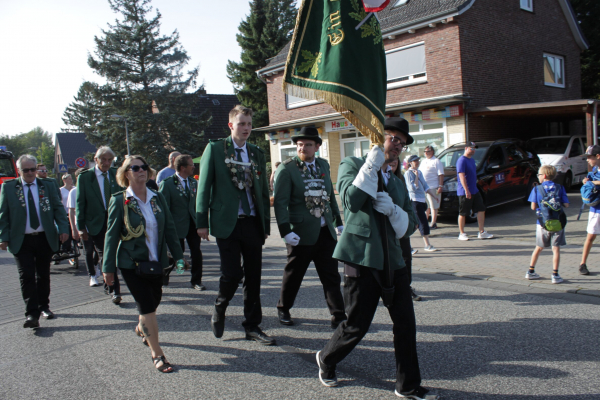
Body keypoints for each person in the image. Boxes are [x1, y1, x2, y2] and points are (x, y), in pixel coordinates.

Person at [316, 117, 438, 400]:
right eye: (391, 137)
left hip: (394, 261)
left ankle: (407, 385)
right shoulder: (353, 165)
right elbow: (350, 201)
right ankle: (327, 358)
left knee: (406, 324)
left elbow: (409, 226)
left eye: (401, 141)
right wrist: (370, 166)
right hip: (362, 258)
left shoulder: (396, 182)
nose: (397, 145)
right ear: (375, 137)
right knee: (357, 325)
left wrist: (395, 211)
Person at [196, 105, 274, 345]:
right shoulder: (216, 149)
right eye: (241, 124)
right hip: (226, 222)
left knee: (253, 277)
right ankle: (220, 306)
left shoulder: (256, 153)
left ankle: (252, 325)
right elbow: (204, 187)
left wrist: (265, 225)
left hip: (251, 222)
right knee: (231, 274)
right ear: (231, 125)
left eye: (249, 124)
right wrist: (202, 222)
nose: (246, 128)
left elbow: (261, 191)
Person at [103, 155, 184, 373]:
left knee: (153, 301)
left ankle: (141, 328)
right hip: (131, 264)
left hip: (155, 262)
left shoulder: (157, 198)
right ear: (126, 173)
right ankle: (157, 354)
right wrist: (107, 268)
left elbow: (169, 230)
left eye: (144, 167)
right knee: (147, 306)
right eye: (135, 167)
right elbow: (111, 236)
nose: (141, 170)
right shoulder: (119, 200)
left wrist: (179, 258)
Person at [273, 127, 346, 328]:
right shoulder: (287, 168)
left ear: (317, 146)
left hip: (325, 231)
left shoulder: (323, 164)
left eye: (307, 144)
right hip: (300, 232)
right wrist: (285, 231)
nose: (302, 148)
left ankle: (338, 314)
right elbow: (280, 202)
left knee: (331, 275)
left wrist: (338, 222)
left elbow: (329, 195)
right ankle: (283, 308)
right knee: (294, 274)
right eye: (299, 145)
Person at [0, 155, 69, 329]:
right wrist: (3, 237)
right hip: (21, 240)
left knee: (43, 275)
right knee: (27, 276)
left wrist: (63, 228)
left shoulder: (48, 185)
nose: (30, 173)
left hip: (44, 237)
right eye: (26, 170)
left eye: (33, 169)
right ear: (19, 170)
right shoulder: (8, 188)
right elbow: (3, 214)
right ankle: (31, 314)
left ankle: (44, 306)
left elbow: (58, 208)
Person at [76, 146, 125, 302]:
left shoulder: (116, 174)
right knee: (106, 253)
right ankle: (114, 290)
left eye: (110, 160)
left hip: (116, 220)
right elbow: (80, 204)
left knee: (116, 253)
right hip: (96, 223)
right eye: (103, 159)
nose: (106, 162)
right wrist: (81, 227)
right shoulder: (85, 177)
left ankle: (108, 284)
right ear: (95, 159)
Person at [159, 154, 204, 290]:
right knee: (176, 253)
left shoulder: (193, 183)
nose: (193, 167)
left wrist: (202, 223)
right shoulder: (167, 184)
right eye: (191, 165)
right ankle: (164, 274)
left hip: (192, 224)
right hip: (176, 225)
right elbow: (163, 207)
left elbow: (198, 204)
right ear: (183, 167)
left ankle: (196, 280)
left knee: (196, 252)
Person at [525, 165, 569, 284]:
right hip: (558, 222)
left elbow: (533, 206)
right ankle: (555, 275)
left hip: (542, 223)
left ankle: (531, 271)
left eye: (538, 175)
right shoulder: (560, 187)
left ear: (543, 176)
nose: (538, 177)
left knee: (539, 247)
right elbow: (566, 204)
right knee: (556, 249)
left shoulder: (537, 189)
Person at [390, 158, 421, 302]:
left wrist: (413, 220)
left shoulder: (400, 180)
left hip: (401, 225)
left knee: (406, 256)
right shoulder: (379, 180)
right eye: (390, 162)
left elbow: (408, 203)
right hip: (387, 227)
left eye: (395, 161)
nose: (393, 164)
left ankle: (406, 287)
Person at [69, 168, 101, 282]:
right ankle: (92, 275)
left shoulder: (94, 189)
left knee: (99, 251)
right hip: (84, 226)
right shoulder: (74, 191)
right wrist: (74, 228)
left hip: (96, 225)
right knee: (88, 250)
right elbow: (72, 211)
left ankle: (95, 264)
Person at [456, 142, 493, 241]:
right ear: (466, 148)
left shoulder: (471, 160)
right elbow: (461, 176)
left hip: (474, 190)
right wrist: (466, 190)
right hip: (464, 192)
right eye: (471, 148)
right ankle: (462, 233)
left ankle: (481, 232)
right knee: (463, 213)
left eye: (474, 149)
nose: (473, 150)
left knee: (481, 209)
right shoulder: (461, 160)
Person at [406, 155, 439, 252]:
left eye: (418, 160)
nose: (417, 162)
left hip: (422, 200)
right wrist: (416, 176)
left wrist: (434, 196)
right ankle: (427, 245)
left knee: (416, 224)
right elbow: (412, 188)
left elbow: (425, 186)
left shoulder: (419, 172)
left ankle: (407, 245)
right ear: (410, 163)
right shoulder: (408, 173)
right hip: (414, 201)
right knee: (423, 222)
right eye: (415, 161)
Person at [579, 145, 600, 275]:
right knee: (591, 236)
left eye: (589, 157)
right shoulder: (594, 170)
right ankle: (582, 264)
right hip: (596, 209)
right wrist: (585, 181)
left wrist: (592, 183)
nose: (587, 160)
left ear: (598, 156)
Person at [418, 146, 444, 229]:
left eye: (428, 151)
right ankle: (425, 221)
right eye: (425, 151)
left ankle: (433, 222)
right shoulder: (423, 161)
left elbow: (441, 174)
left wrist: (440, 186)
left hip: (433, 186)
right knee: (426, 206)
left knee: (434, 206)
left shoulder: (436, 161)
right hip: (424, 187)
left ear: (432, 152)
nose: (426, 153)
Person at [59, 174, 74, 257]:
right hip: (65, 213)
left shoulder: (74, 189)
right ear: (64, 180)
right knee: (66, 229)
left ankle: (71, 246)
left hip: (73, 213)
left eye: (71, 178)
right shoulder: (61, 190)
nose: (70, 180)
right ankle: (64, 248)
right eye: (68, 179)